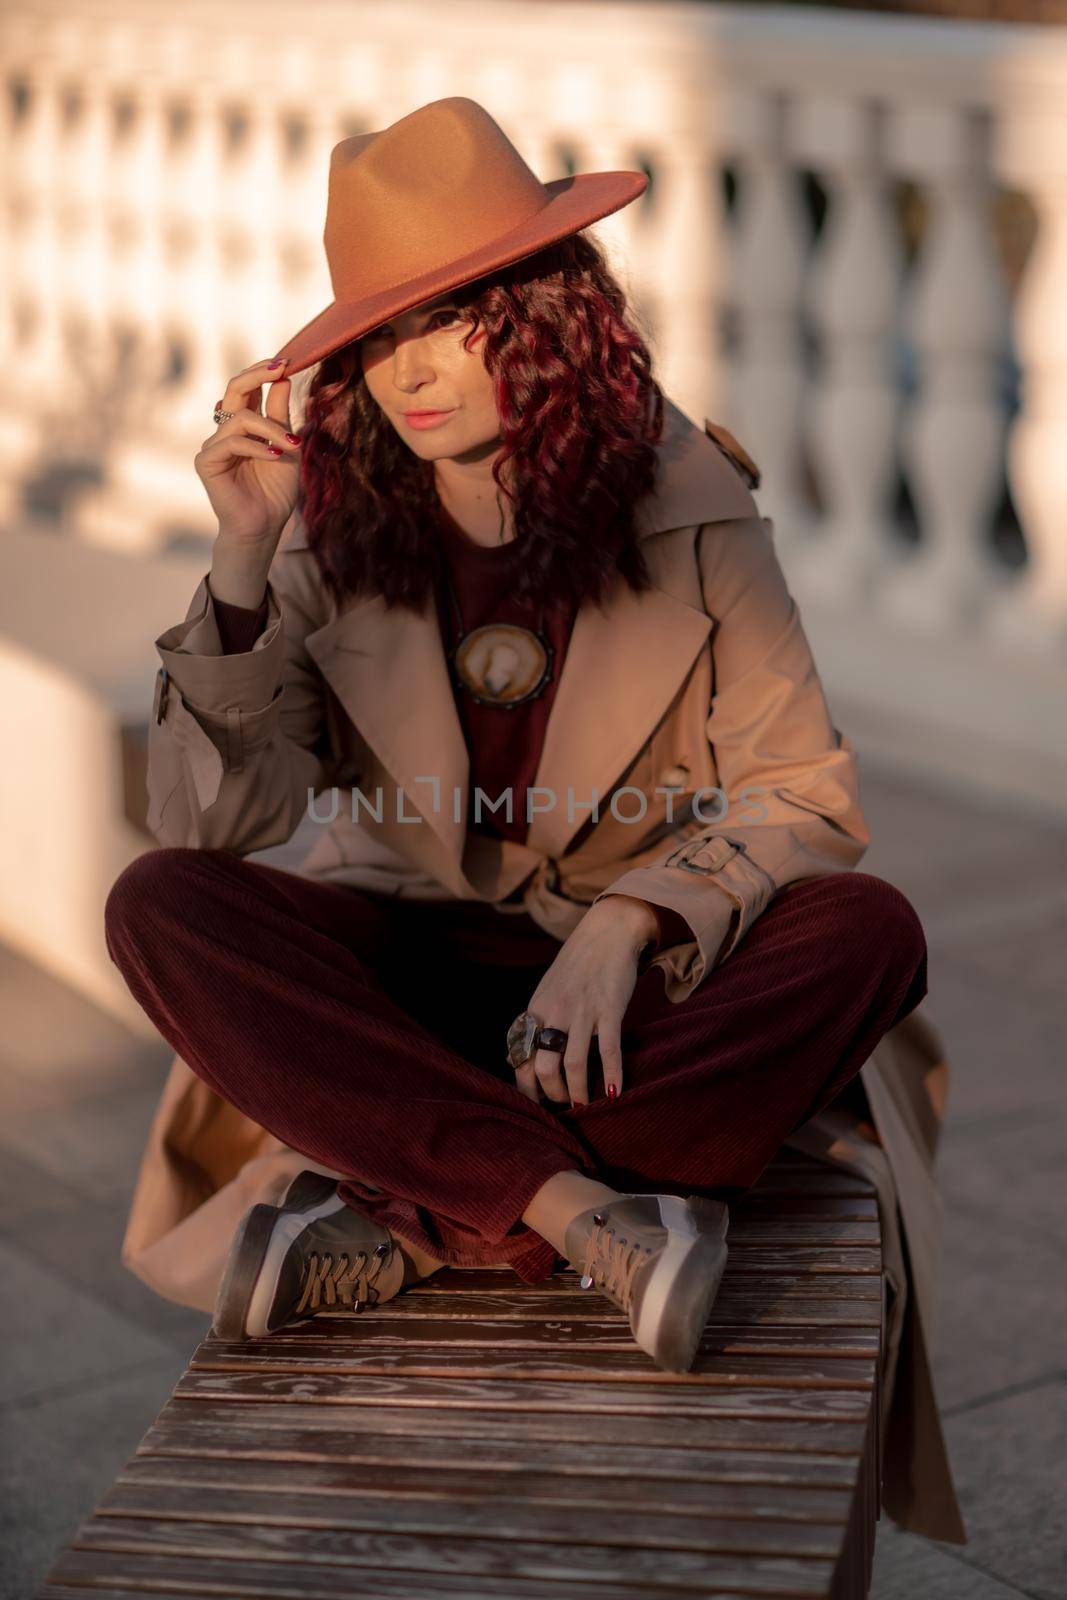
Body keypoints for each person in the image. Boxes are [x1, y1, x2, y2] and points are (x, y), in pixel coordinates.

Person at [104, 97, 927, 1377]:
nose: (408, 371)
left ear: (545, 310)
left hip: (621, 1003)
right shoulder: (326, 527)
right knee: (161, 903)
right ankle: (575, 1212)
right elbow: (219, 824)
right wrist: (241, 562)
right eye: (380, 336)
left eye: (448, 318)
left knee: (869, 935)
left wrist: (631, 919)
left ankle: (415, 1214)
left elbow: (801, 793)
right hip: (414, 968)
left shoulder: (686, 501)